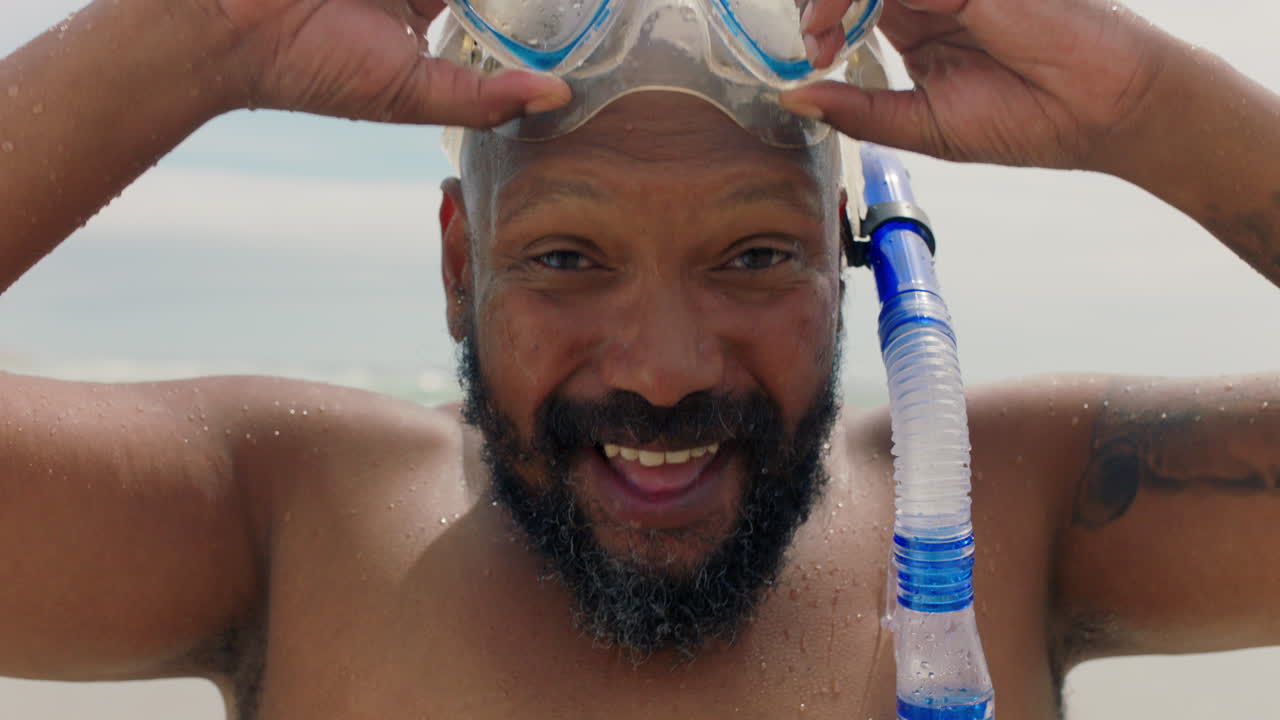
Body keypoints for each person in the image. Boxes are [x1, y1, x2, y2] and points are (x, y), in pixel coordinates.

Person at [0, 0, 1277, 717]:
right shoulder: (291, 522)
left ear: (845, 256)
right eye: (566, 260)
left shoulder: (1007, 509)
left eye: (753, 258)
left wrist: (1141, 109)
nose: (664, 371)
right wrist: (204, 35)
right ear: (461, 264)